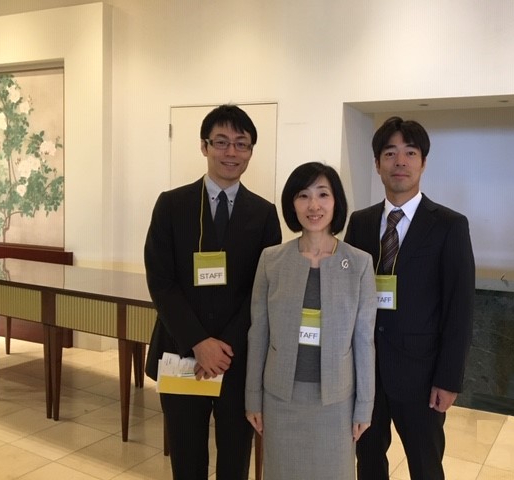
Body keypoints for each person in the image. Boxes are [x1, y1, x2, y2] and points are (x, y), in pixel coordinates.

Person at [144, 104, 282, 480]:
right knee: (186, 459)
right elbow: (161, 281)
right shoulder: (171, 205)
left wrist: (223, 349)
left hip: (238, 360)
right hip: (182, 353)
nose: (231, 152)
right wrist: (199, 342)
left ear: (251, 151)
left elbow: (263, 290)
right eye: (221, 142)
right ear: (204, 146)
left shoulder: (264, 214)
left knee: (235, 461)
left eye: (241, 143)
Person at [345, 116, 475, 480]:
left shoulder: (449, 225)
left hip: (422, 377)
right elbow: (347, 297)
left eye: (410, 153)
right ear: (377, 164)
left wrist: (449, 379)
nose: (399, 161)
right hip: (366, 373)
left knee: (425, 466)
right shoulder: (360, 222)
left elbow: (460, 308)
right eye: (390, 153)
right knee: (368, 463)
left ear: (423, 162)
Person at [245, 161, 377, 480]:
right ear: (292, 204)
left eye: (322, 194)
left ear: (336, 202)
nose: (313, 205)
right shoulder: (271, 260)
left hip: (336, 402)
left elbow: (364, 340)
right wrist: (252, 397)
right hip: (281, 398)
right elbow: (258, 333)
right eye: (303, 195)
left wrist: (365, 405)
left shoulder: (359, 263)